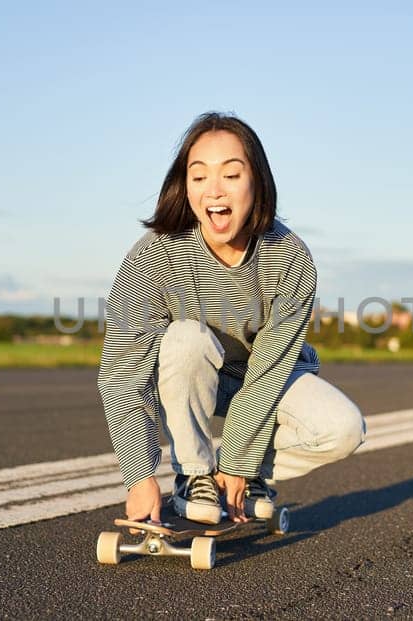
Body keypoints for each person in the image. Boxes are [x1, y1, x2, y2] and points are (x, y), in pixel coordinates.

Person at [97, 112, 366, 526]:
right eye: (199, 176)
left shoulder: (290, 257)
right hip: (190, 376)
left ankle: (242, 471)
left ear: (257, 183)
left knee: (344, 427)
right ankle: (195, 476)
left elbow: (269, 371)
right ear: (183, 186)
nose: (214, 190)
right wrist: (140, 477)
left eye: (232, 175)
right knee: (186, 339)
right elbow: (121, 374)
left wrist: (240, 461)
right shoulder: (154, 255)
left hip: (266, 378)